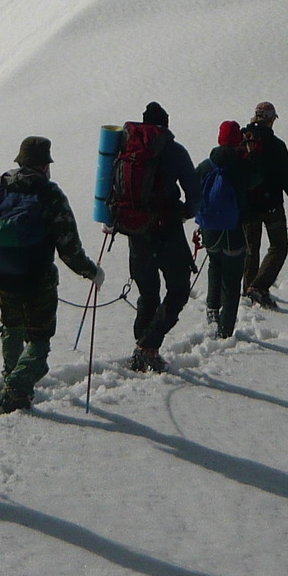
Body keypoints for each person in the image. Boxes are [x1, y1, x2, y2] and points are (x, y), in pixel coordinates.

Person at [0, 136, 105, 412]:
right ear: (44, 165)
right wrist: (91, 272)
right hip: (36, 279)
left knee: (11, 325)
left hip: (0, 275)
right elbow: (68, 246)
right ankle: (17, 387)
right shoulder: (50, 195)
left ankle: (10, 374)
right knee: (39, 340)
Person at [109, 101, 199, 373]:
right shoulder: (174, 150)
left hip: (135, 230)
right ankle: (147, 346)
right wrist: (184, 212)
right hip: (167, 228)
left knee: (148, 293)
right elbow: (195, 193)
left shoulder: (125, 148)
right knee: (179, 289)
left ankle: (144, 348)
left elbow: (112, 186)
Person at [239, 102, 288, 309]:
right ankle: (258, 287)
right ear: (270, 119)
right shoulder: (276, 145)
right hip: (272, 204)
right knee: (279, 246)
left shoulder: (242, 141)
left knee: (251, 248)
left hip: (248, 205)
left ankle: (248, 288)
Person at [194, 121, 251, 339]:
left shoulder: (205, 166)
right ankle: (226, 329)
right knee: (232, 277)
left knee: (214, 264)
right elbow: (247, 198)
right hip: (234, 230)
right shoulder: (243, 167)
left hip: (210, 228)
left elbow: (193, 189)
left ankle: (212, 308)